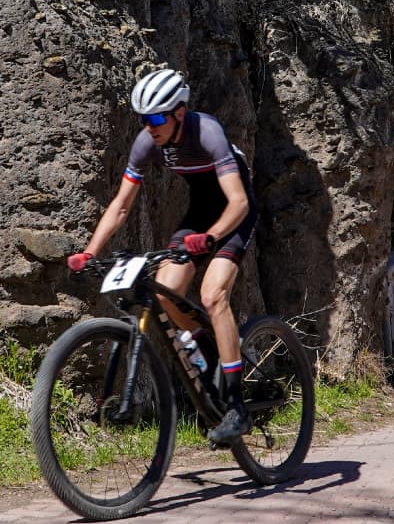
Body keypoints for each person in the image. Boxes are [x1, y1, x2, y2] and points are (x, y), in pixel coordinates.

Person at [67, 69, 259, 444]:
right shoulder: (146, 143)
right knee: (164, 293)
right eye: (144, 119)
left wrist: (212, 237)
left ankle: (236, 405)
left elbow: (237, 202)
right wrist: (90, 251)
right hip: (200, 217)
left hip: (235, 215)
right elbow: (121, 205)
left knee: (212, 294)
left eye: (156, 118)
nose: (149, 127)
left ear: (179, 113)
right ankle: (212, 353)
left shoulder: (208, 133)